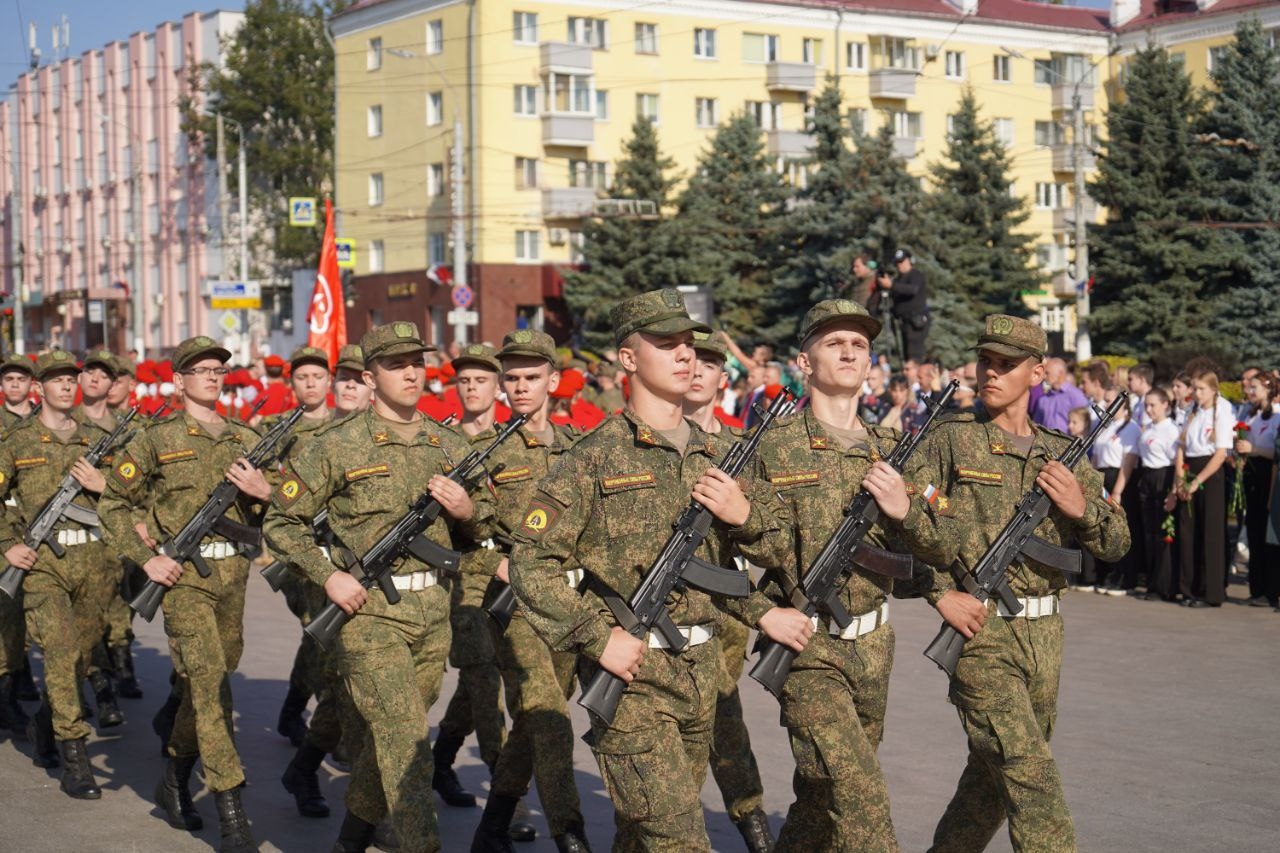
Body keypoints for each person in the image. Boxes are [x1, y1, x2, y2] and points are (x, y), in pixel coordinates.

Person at [509, 289, 788, 851]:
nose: (685, 356)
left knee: (641, 838)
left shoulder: (719, 456)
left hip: (703, 672)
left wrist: (746, 516)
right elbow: (529, 565)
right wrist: (594, 636)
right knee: (680, 839)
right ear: (629, 359)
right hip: (634, 681)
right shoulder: (591, 458)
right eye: (666, 345)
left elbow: (764, 553)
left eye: (688, 344)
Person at [264, 322, 493, 853]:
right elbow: (282, 523)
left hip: (433, 611)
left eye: (417, 361)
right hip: (368, 615)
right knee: (408, 740)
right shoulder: (337, 444)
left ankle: (350, 841)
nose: (412, 372)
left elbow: (486, 529)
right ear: (369, 377)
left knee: (389, 742)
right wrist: (329, 574)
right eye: (396, 364)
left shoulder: (449, 442)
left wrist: (469, 511)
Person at [904, 314, 1130, 853]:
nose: (992, 372)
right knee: (1031, 773)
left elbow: (1117, 543)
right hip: (982, 634)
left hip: (1045, 635)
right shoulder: (951, 442)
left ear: (1038, 373)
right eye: (986, 361)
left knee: (992, 783)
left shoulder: (1061, 452)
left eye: (1008, 364)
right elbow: (902, 522)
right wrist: (941, 593)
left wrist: (1081, 507)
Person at [734, 300, 942, 851]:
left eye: (860, 345)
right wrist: (762, 613)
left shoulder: (894, 451)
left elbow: (940, 546)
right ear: (804, 361)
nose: (850, 351)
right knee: (861, 795)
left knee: (824, 795)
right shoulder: (770, 447)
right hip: (807, 650)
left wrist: (906, 509)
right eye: (834, 342)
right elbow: (710, 553)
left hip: (875, 645)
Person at [100, 336, 271, 850]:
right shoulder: (155, 437)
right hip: (184, 583)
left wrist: (263, 496)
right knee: (211, 685)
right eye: (201, 369)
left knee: (209, 682)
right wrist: (146, 556)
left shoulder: (245, 436)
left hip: (232, 580)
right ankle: (231, 804)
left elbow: (269, 516)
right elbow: (111, 503)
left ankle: (174, 778)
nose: (213, 376)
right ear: (179, 380)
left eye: (219, 368)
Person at [470, 330, 592, 852]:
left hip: (568, 603)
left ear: (553, 381)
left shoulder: (579, 448)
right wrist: (492, 561)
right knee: (550, 716)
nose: (521, 387)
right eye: (512, 378)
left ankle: (491, 827)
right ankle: (570, 834)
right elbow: (457, 537)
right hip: (515, 605)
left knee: (532, 722)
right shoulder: (483, 453)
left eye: (531, 377)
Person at [0, 351, 117, 799]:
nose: (67, 386)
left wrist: (104, 487)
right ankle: (75, 756)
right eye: (57, 380)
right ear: (39, 388)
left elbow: (129, 498)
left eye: (72, 379)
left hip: (94, 564)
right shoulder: (18, 440)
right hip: (42, 565)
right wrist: (8, 545)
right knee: (61, 651)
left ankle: (45, 725)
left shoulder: (98, 439)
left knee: (82, 658)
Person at [680, 330, 774, 852]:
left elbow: (770, 531)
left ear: (723, 377)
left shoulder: (744, 449)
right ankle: (749, 820)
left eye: (711, 362)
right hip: (670, 608)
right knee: (716, 713)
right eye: (692, 359)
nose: (698, 370)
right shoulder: (654, 443)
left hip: (731, 605)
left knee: (717, 708)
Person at [430, 344, 511, 816]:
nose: (472, 387)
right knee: (483, 679)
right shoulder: (440, 442)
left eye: (482, 380)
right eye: (464, 381)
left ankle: (440, 760)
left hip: (511, 575)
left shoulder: (515, 439)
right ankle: (508, 796)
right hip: (464, 575)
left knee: (484, 677)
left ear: (497, 388)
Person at [268, 345, 344, 820]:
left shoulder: (347, 427)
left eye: (319, 376)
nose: (311, 384)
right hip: (301, 554)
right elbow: (260, 488)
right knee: (320, 636)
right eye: (303, 377)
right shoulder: (280, 429)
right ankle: (311, 729)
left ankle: (295, 708)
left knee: (319, 638)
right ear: (293, 385)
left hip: (340, 552)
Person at [1166, 370, 1234, 608]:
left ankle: (1210, 591)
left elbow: (1220, 454)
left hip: (1210, 474)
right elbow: (1181, 447)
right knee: (1187, 531)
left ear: (1214, 390)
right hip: (1189, 468)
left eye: (1201, 389)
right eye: (1194, 388)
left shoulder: (1221, 411)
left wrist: (1196, 482)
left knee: (1210, 533)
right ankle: (1189, 589)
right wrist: (1181, 480)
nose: (1196, 393)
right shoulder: (1192, 412)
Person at [1115, 387, 1179, 601]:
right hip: (1147, 477)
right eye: (1146, 405)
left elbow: (1175, 461)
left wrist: (1173, 490)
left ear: (1165, 405)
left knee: (1163, 533)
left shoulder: (1171, 430)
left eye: (1153, 405)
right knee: (1149, 533)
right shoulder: (1148, 429)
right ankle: (1152, 582)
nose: (1149, 409)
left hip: (1164, 476)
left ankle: (1164, 586)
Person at [1235, 370, 1279, 607]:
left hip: (1267, 475)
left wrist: (1253, 449)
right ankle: (1257, 588)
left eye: (1255, 388)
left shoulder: (1276, 416)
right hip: (1251, 475)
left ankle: (1270, 589)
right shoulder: (1250, 415)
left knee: (1266, 535)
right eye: (1249, 387)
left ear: (1268, 389)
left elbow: (1276, 454)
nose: (1250, 392)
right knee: (1253, 531)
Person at [881, 248, 929, 362]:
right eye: (897, 263)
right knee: (906, 355)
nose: (899, 265)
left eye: (902, 261)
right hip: (904, 322)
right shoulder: (899, 279)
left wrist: (891, 285)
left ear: (909, 260)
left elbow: (912, 290)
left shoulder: (915, 274)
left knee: (914, 355)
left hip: (915, 322)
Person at [1031, 358, 1089, 433]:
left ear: (1060, 373)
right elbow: (1037, 425)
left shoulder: (1075, 396)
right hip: (1046, 442)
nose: (1044, 377)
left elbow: (1085, 424)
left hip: (1069, 442)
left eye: (1047, 373)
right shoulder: (1043, 399)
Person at [0, 354, 37, 426]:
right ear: (1, 382)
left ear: (32, 384)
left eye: (22, 379)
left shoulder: (45, 418)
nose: (15, 385)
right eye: (9, 379)